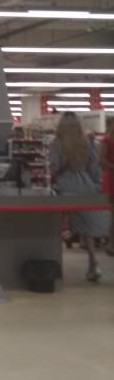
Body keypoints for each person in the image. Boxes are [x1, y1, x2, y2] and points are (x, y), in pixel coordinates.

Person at [49, 112, 109, 282]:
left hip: (64, 184)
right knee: (86, 227)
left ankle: (55, 258)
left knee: (56, 220)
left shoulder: (57, 143)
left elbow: (54, 166)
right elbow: (94, 168)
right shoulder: (87, 142)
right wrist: (95, 186)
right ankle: (93, 262)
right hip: (85, 184)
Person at [99, 116, 114, 256]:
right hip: (111, 179)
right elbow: (101, 160)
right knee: (111, 213)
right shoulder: (106, 140)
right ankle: (110, 243)